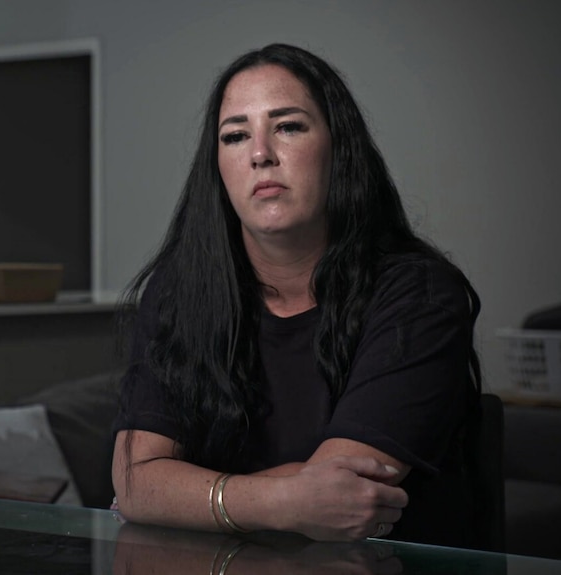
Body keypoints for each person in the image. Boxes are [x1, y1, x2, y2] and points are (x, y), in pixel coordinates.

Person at [111, 43, 482, 548]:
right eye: (236, 136)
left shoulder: (419, 293)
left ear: (338, 147)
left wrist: (184, 495)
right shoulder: (180, 291)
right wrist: (286, 501)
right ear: (218, 167)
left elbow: (341, 496)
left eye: (288, 126)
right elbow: (136, 487)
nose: (260, 153)